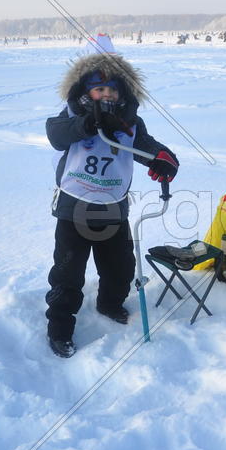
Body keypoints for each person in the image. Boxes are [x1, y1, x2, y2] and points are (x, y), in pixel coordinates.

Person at [44, 52, 179, 358]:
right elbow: (57, 135)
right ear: (85, 92)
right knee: (68, 273)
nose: (106, 95)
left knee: (120, 269)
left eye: (112, 90)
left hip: (114, 208)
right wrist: (89, 123)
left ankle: (110, 302)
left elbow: (148, 148)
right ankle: (59, 329)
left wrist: (164, 159)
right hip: (73, 209)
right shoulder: (71, 115)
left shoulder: (130, 123)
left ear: (123, 93)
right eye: (99, 89)